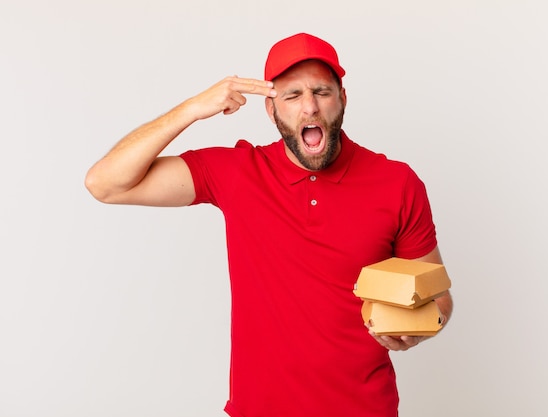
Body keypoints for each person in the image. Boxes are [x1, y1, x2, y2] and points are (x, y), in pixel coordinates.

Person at [85, 33, 453, 417]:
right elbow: (105, 183)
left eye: (321, 92)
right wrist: (192, 109)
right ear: (271, 109)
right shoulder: (235, 172)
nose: (309, 107)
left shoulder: (395, 182)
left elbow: (439, 297)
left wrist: (419, 326)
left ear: (342, 98)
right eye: (292, 96)